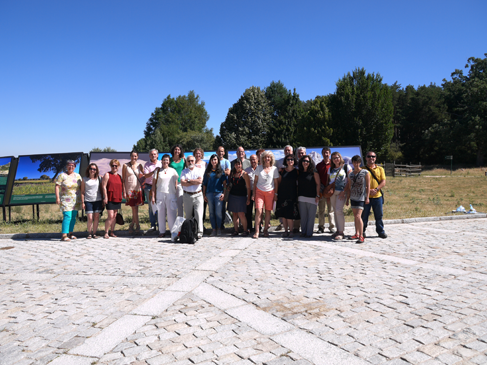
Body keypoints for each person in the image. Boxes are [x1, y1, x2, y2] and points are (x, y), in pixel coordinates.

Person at [253, 151, 279, 239]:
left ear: (271, 158)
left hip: (270, 192)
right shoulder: (259, 168)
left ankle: (265, 230)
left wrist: (276, 193)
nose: (267, 159)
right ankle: (257, 231)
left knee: (268, 211)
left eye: (269, 157)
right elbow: (255, 181)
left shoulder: (274, 169)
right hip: (259, 191)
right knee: (259, 211)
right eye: (265, 157)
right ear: (263, 158)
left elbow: (276, 183)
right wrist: (253, 193)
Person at [151, 154, 179, 238]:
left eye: (167, 160)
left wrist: (177, 195)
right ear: (161, 161)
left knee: (171, 214)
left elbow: (176, 184)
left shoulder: (173, 170)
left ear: (169, 161)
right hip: (160, 194)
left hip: (171, 194)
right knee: (160, 213)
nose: (165, 161)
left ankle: (173, 231)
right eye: (164, 160)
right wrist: (153, 196)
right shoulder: (157, 171)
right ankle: (162, 231)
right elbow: (153, 185)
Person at [362, 151, 387, 239]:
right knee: (364, 215)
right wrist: (368, 190)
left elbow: (383, 182)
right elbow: (359, 182)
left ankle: (380, 231)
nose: (371, 158)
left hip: (377, 196)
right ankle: (362, 231)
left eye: (373, 156)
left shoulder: (380, 169)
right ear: (366, 158)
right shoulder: (362, 169)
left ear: (375, 158)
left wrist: (376, 189)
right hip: (366, 197)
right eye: (369, 156)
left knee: (379, 215)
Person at [345, 155, 370, 244]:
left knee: (359, 216)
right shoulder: (350, 174)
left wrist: (367, 197)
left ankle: (361, 236)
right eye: (354, 162)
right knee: (355, 216)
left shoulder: (365, 172)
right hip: (353, 196)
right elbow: (349, 187)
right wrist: (347, 199)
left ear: (360, 163)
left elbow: (368, 185)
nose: (356, 164)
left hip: (361, 197)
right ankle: (356, 233)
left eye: (357, 162)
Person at [55, 160, 82, 241]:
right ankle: (64, 235)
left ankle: (70, 233)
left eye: (73, 166)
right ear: (66, 166)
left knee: (73, 217)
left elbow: (81, 187)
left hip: (76, 200)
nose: (71, 167)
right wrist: (57, 198)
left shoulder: (77, 176)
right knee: (67, 216)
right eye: (69, 165)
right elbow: (57, 187)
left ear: (75, 167)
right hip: (65, 199)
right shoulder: (62, 175)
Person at [328, 152, 351, 240]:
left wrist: (344, 191)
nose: (335, 159)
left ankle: (341, 232)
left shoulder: (346, 167)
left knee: (338, 211)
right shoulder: (330, 169)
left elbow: (349, 181)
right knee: (334, 211)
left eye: (336, 157)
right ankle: (338, 230)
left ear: (340, 157)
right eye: (333, 158)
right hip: (332, 193)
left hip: (342, 192)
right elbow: (328, 181)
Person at [180, 155, 204, 239]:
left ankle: (199, 232)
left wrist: (189, 180)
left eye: (192, 161)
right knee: (188, 215)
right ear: (186, 162)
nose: (190, 162)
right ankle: (190, 231)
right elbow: (183, 183)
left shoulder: (199, 170)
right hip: (187, 195)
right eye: (189, 161)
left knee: (198, 214)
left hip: (198, 195)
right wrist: (194, 181)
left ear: (194, 161)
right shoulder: (184, 171)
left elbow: (200, 181)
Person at [203, 154, 227, 236]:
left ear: (218, 161)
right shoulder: (207, 172)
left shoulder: (221, 171)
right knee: (211, 212)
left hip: (218, 194)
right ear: (210, 161)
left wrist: (223, 193)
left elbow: (224, 184)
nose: (214, 161)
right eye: (212, 159)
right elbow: (204, 184)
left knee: (218, 212)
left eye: (215, 159)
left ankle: (219, 229)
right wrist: (204, 195)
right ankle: (213, 229)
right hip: (209, 194)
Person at [275, 154, 298, 237]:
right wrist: (276, 194)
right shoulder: (282, 171)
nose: (290, 161)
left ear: (294, 160)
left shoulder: (297, 171)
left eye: (291, 159)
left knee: (290, 215)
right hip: (282, 195)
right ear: (285, 161)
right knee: (283, 214)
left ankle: (291, 231)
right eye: (288, 159)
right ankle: (285, 231)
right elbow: (278, 182)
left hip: (292, 195)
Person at [226, 159, 251, 236]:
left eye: (239, 164)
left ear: (241, 165)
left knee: (241, 214)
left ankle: (245, 230)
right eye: (236, 164)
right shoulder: (233, 173)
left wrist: (248, 198)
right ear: (234, 165)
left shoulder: (245, 174)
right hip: (233, 196)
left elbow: (248, 187)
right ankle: (236, 230)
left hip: (242, 197)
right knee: (234, 214)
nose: (238, 166)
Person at [297, 155, 321, 238]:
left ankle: (309, 233)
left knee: (311, 217)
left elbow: (318, 184)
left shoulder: (314, 171)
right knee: (303, 217)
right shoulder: (299, 171)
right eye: (304, 161)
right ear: (301, 162)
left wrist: (318, 195)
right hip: (301, 197)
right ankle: (303, 232)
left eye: (307, 161)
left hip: (312, 197)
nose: (305, 162)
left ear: (310, 162)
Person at [122, 151, 144, 235]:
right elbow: (123, 179)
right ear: (130, 156)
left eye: (135, 156)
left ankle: (132, 225)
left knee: (135, 208)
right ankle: (137, 225)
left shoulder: (139, 165)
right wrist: (124, 191)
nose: (134, 158)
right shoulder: (125, 165)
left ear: (137, 157)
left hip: (137, 189)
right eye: (132, 156)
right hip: (129, 190)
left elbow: (145, 174)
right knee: (134, 208)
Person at [102, 159, 124, 239]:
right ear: (110, 166)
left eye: (116, 165)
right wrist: (105, 197)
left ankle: (112, 231)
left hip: (117, 197)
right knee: (110, 216)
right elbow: (104, 186)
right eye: (113, 165)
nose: (114, 167)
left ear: (118, 166)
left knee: (114, 215)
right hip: (110, 197)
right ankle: (106, 232)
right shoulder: (107, 174)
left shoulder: (119, 176)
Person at [81, 163, 103, 239]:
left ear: (96, 170)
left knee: (96, 217)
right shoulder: (84, 179)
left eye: (94, 169)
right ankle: (89, 233)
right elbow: (82, 192)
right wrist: (83, 202)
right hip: (88, 201)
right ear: (88, 169)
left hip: (98, 200)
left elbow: (102, 189)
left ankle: (94, 233)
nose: (92, 170)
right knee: (90, 218)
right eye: (91, 169)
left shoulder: (99, 178)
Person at [316, 147, 335, 233]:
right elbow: (317, 179)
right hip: (322, 190)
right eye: (324, 153)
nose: (325, 154)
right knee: (321, 210)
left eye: (327, 152)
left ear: (330, 154)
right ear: (322, 154)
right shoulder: (319, 165)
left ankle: (332, 226)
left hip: (331, 189)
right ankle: (321, 227)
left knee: (331, 210)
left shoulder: (334, 164)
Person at [275, 145, 293, 231]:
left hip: (292, 189)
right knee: (282, 207)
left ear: (292, 152)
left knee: (291, 209)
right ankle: (283, 225)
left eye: (289, 150)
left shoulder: (295, 161)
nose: (287, 152)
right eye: (286, 150)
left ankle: (293, 228)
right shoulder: (279, 162)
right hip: (282, 187)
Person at [143, 149, 162, 231]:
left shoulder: (161, 163)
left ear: (157, 155)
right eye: (151, 154)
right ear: (149, 156)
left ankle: (160, 224)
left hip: (159, 187)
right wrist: (153, 172)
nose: (153, 155)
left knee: (160, 206)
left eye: (155, 154)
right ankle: (153, 225)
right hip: (149, 187)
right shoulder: (147, 164)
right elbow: (146, 176)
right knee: (152, 207)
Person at [170, 144, 186, 218]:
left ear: (180, 151)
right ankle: (172, 220)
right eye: (175, 149)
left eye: (178, 149)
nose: (177, 151)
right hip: (170, 184)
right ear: (173, 150)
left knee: (180, 203)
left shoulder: (183, 160)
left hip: (180, 184)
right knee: (171, 202)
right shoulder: (169, 160)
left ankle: (180, 222)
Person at [217, 146, 231, 229]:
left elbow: (228, 172)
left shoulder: (226, 161)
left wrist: (217, 174)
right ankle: (217, 224)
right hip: (215, 187)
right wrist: (223, 172)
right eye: (219, 151)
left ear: (224, 153)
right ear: (216, 152)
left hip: (224, 187)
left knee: (222, 207)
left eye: (222, 151)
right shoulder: (214, 161)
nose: (220, 153)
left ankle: (221, 224)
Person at [293, 147, 306, 233]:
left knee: (305, 209)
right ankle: (296, 227)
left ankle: (305, 227)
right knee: (297, 208)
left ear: (305, 153)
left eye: (302, 153)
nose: (300, 155)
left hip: (306, 189)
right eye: (299, 153)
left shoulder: (309, 164)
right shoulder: (295, 164)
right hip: (296, 189)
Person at [244, 154, 258, 234]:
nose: (253, 161)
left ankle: (258, 227)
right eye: (251, 159)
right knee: (248, 210)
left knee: (258, 210)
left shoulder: (260, 169)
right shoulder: (246, 170)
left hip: (259, 191)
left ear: (257, 160)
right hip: (249, 191)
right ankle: (249, 227)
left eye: (254, 159)